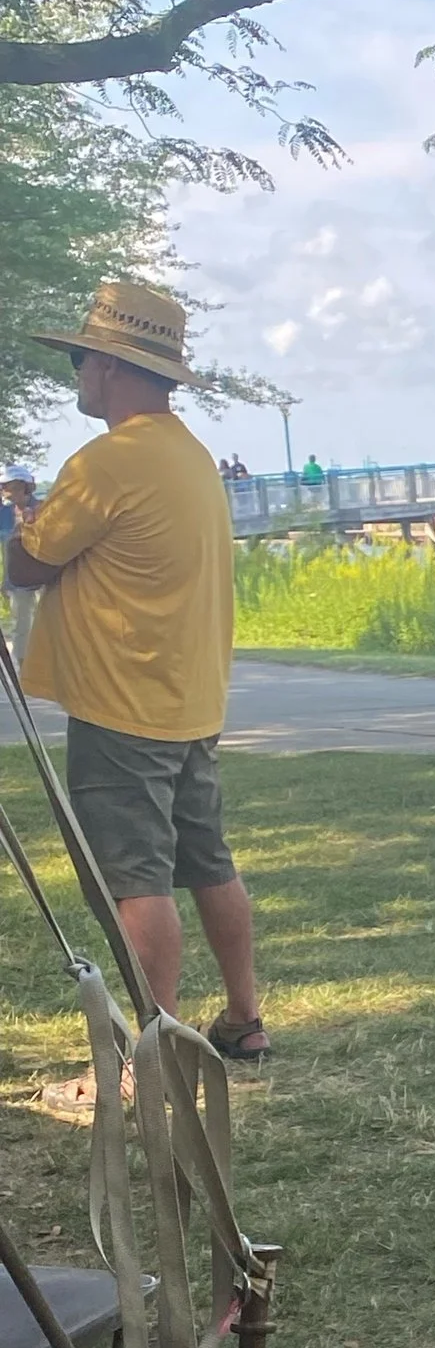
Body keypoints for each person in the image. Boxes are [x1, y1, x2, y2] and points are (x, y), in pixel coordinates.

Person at [7, 279, 269, 1057]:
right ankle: (242, 1021)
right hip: (189, 701)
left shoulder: (107, 461)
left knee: (135, 883)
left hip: (121, 705)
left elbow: (28, 564)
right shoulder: (189, 457)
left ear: (114, 367)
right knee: (209, 863)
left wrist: (21, 524)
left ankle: (157, 1050)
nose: (78, 373)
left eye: (83, 358)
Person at [0, 470, 39, 661]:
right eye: (3, 487)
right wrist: (6, 580)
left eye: (8, 486)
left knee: (50, 624)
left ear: (23, 487)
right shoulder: (5, 513)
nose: (5, 491)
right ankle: (23, 670)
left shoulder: (43, 509)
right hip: (19, 580)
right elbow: (8, 549)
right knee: (20, 625)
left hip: (46, 577)